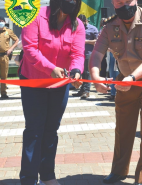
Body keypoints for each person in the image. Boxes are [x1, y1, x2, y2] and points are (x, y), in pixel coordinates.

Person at [89, 0, 142, 184]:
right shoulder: (110, 25)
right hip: (125, 80)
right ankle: (118, 171)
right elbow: (97, 54)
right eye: (118, 1)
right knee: (123, 129)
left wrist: (132, 78)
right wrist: (96, 77)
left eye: (126, 1)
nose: (122, 4)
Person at [19, 0, 85, 184]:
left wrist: (76, 71)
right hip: (34, 81)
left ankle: (47, 176)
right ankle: (28, 178)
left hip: (59, 84)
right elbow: (30, 49)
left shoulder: (77, 25)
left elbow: (77, 54)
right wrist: (51, 69)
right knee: (34, 130)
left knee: (51, 130)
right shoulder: (34, 17)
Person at [72, 14, 98, 99]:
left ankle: (87, 91)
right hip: (78, 54)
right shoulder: (76, 27)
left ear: (86, 21)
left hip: (88, 53)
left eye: (83, 23)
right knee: (81, 72)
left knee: (87, 72)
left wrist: (86, 41)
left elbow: (97, 41)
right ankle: (81, 90)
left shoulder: (93, 29)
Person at [0, 16, 19, 99]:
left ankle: (3, 93)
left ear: (4, 22)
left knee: (4, 75)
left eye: (1, 21)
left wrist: (11, 49)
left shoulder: (8, 31)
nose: (0, 22)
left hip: (4, 56)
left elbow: (17, 40)